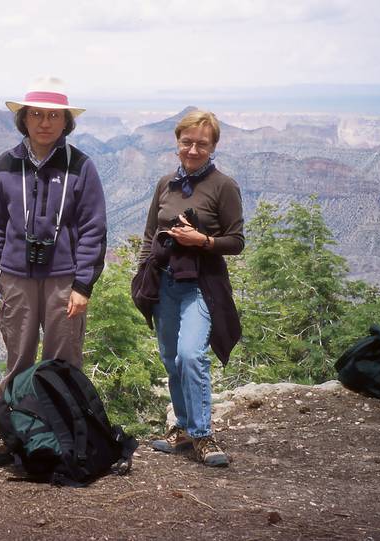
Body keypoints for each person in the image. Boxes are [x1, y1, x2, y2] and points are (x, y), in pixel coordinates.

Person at [0, 76, 107, 465]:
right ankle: (14, 438)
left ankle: (67, 443)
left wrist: (83, 284)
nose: (44, 122)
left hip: (63, 279)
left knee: (62, 361)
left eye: (53, 116)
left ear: (65, 121)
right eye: (36, 114)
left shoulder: (81, 166)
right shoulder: (6, 165)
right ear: (25, 119)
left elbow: (93, 229)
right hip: (15, 277)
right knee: (18, 360)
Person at [139, 110, 244, 467]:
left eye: (202, 143)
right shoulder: (166, 183)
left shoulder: (223, 186)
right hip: (164, 282)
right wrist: (142, 274)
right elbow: (151, 233)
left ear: (213, 146)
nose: (193, 149)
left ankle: (202, 435)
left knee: (190, 355)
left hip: (200, 284)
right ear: (177, 143)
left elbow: (237, 241)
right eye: (187, 142)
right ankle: (182, 428)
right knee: (171, 359)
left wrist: (203, 241)